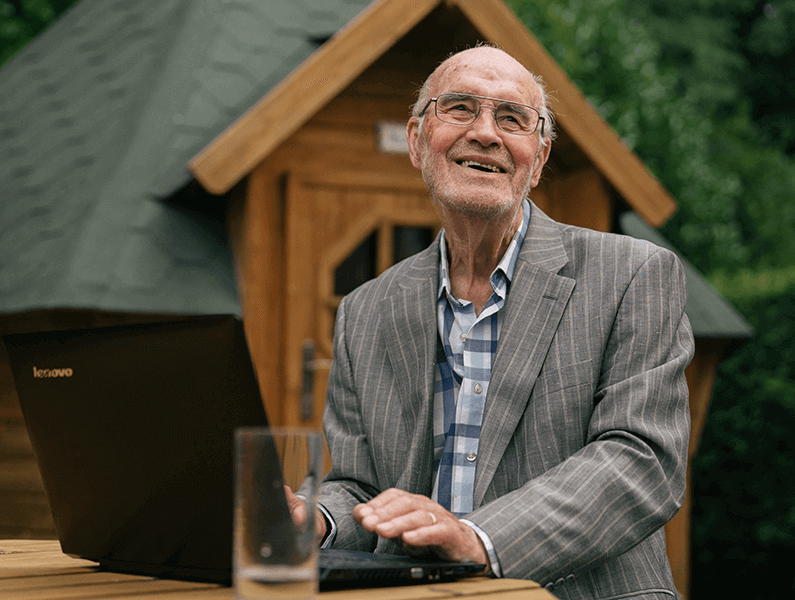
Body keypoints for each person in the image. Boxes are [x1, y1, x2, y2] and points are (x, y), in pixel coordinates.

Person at [287, 45, 693, 598]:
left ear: (540, 157)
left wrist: (480, 539)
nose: (485, 133)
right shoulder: (365, 309)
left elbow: (641, 460)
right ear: (416, 139)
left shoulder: (634, 274)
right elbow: (360, 486)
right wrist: (319, 519)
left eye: (512, 119)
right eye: (459, 108)